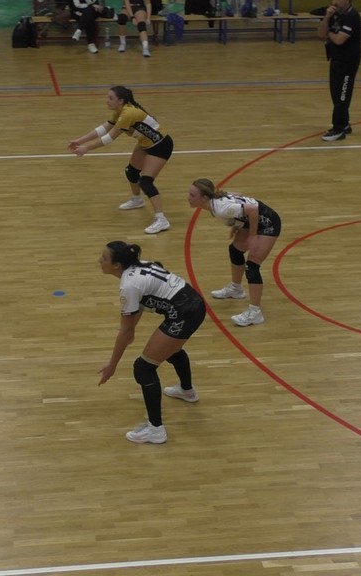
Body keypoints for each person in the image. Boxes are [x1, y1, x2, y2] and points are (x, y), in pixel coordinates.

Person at [98, 241, 206, 444]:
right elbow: (139, 304)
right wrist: (132, 328)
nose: (99, 261)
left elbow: (124, 331)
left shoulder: (128, 285)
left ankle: (156, 430)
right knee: (171, 350)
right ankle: (187, 391)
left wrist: (112, 365)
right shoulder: (140, 266)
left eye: (104, 258)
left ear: (116, 265)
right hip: (193, 305)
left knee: (143, 368)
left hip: (184, 313)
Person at [69, 85, 174, 234]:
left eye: (110, 98)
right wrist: (79, 141)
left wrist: (86, 148)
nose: (107, 100)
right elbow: (103, 128)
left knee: (146, 182)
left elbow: (109, 138)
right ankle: (137, 200)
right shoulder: (120, 111)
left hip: (160, 145)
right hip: (145, 143)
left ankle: (161, 219)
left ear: (121, 101)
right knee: (131, 172)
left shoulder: (128, 113)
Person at [187, 178, 282, 327]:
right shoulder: (216, 201)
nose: (188, 198)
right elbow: (238, 196)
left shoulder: (220, 208)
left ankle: (255, 313)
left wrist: (252, 236)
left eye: (192, 195)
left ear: (204, 198)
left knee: (252, 266)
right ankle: (236, 289)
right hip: (251, 220)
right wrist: (237, 224)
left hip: (268, 223)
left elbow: (253, 210)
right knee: (235, 250)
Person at [317, 0, 361, 142]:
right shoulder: (334, 14)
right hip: (336, 59)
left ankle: (338, 129)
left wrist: (329, 32)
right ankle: (345, 123)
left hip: (348, 62)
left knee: (342, 95)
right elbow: (320, 34)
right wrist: (327, 18)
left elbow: (339, 40)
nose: (335, 2)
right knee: (335, 93)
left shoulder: (352, 16)